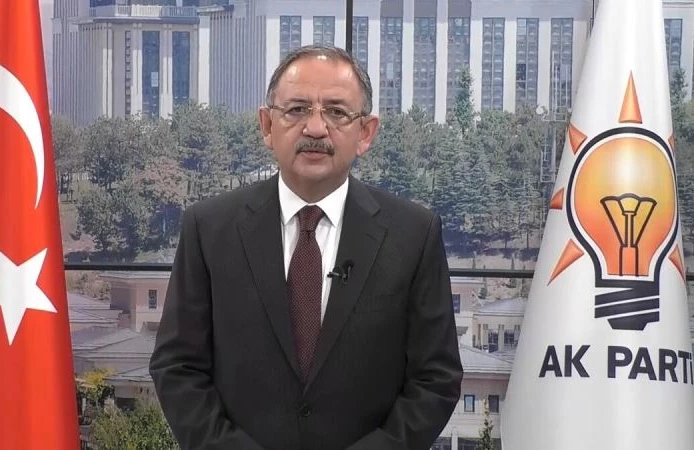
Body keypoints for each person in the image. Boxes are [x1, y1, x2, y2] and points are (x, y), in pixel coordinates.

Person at [149, 45, 463, 450]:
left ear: (365, 133)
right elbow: (177, 368)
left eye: (337, 112)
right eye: (297, 110)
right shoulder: (209, 229)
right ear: (267, 125)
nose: (315, 129)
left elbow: (435, 379)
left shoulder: (413, 235)